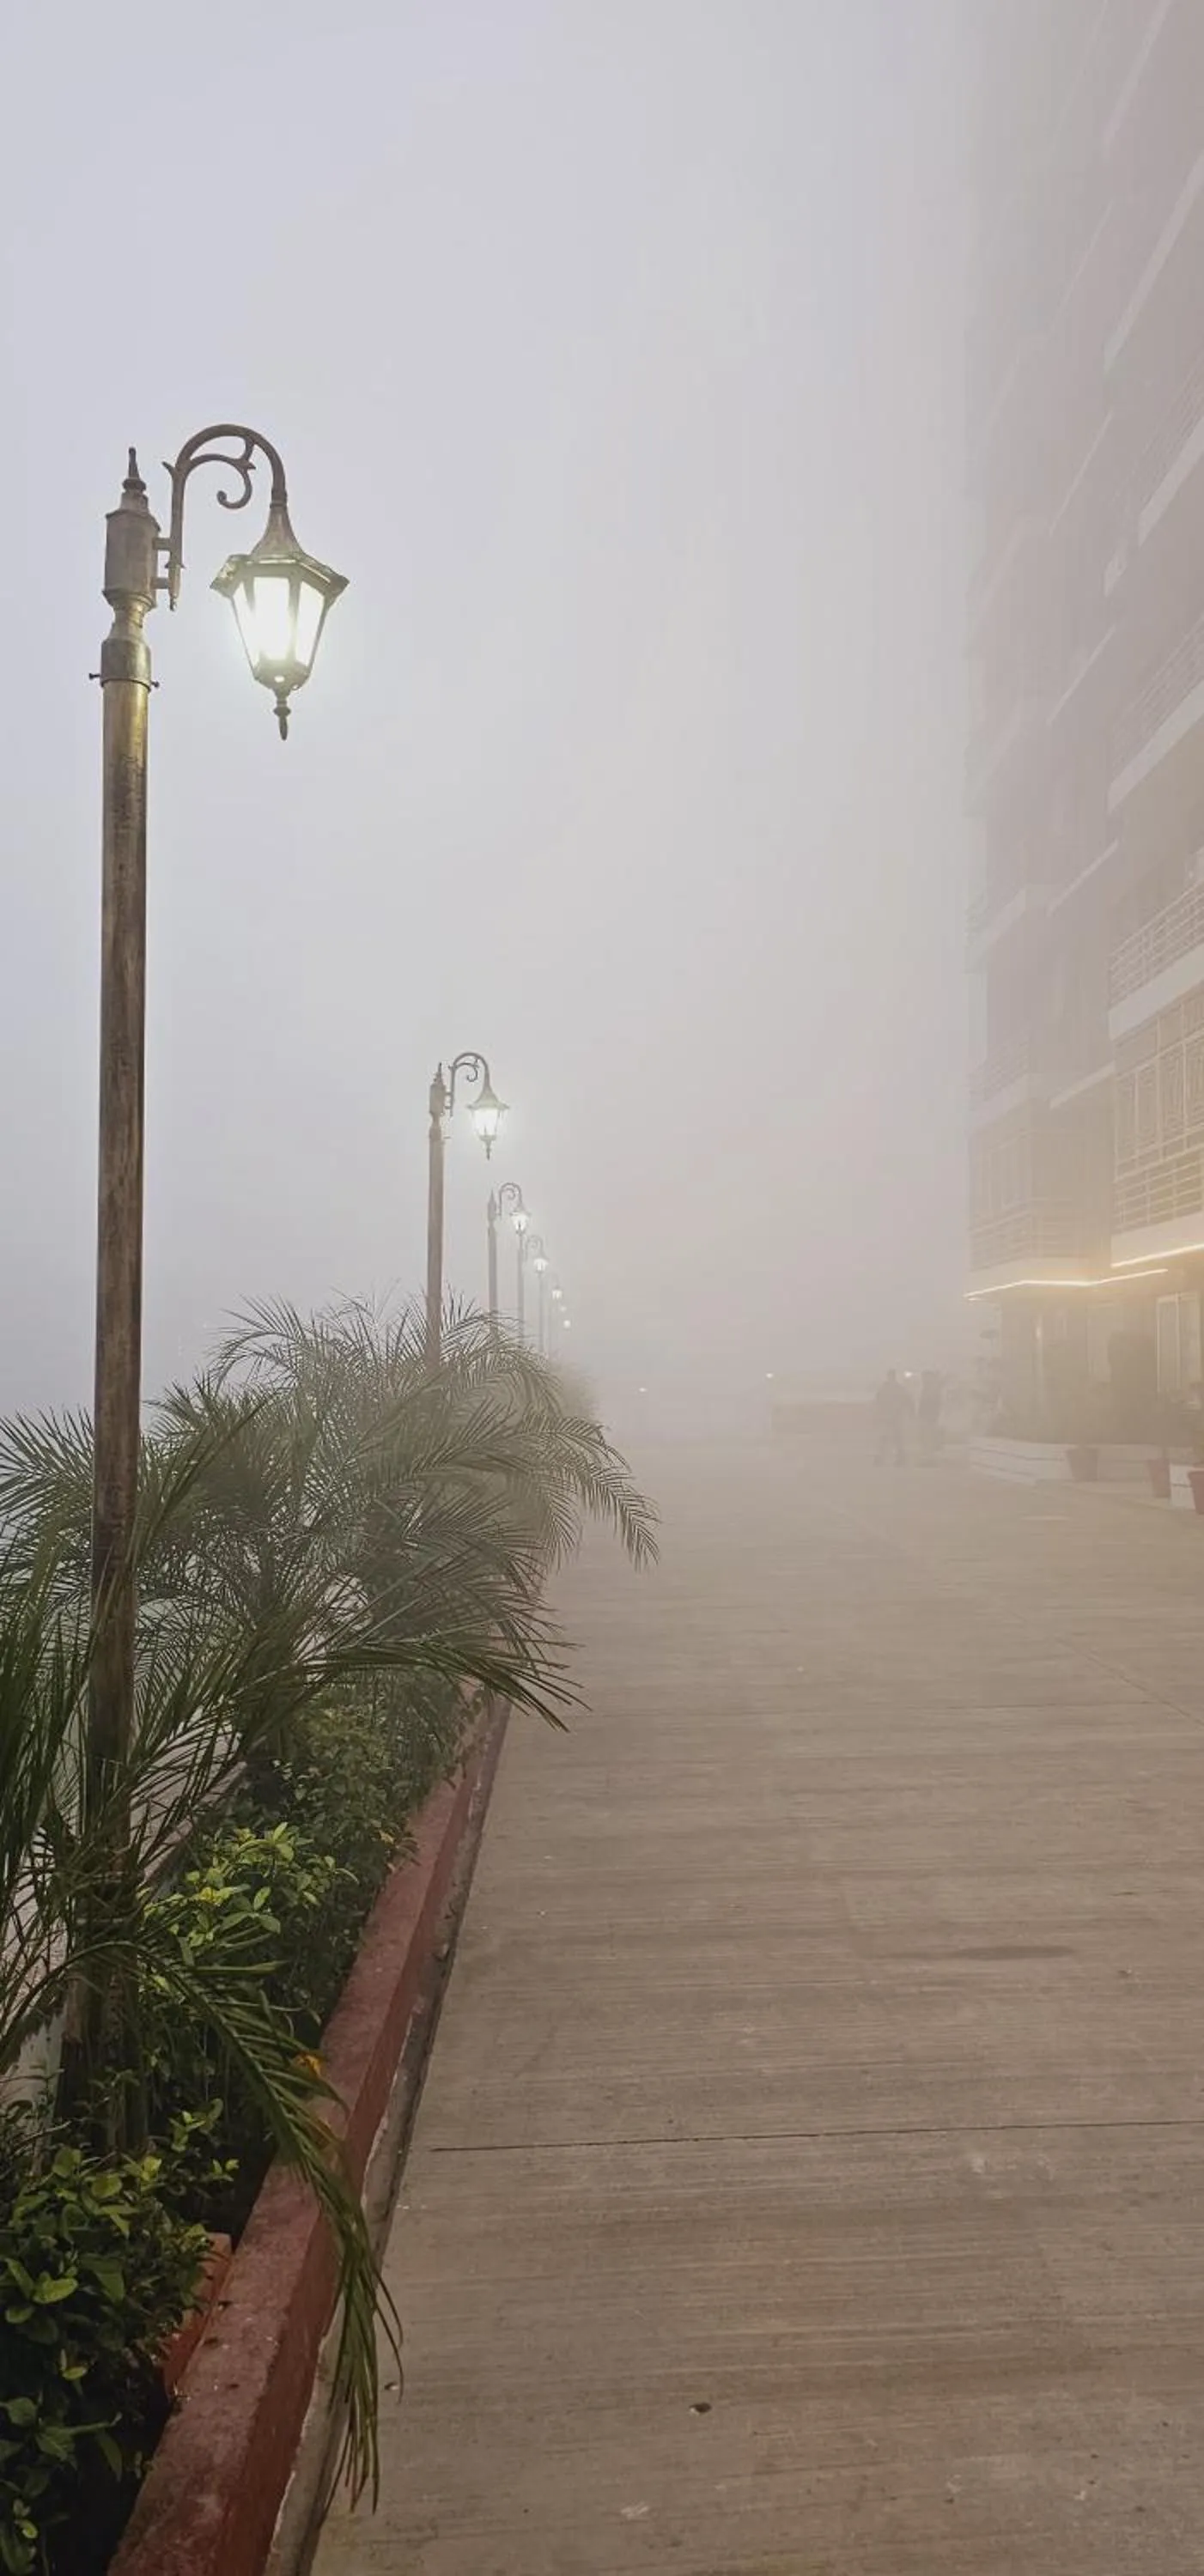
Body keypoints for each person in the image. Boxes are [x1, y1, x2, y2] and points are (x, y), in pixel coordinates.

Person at [873, 1369, 912, 1467]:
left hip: (893, 1416)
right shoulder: (896, 1388)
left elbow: (879, 1400)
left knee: (891, 1438)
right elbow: (907, 1400)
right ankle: (896, 1457)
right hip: (892, 1416)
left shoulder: (887, 1388)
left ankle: (890, 1457)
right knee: (890, 1437)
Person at [916, 1370, 944, 1462]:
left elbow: (935, 1403)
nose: (923, 1379)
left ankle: (929, 1457)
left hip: (930, 1417)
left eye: (925, 1377)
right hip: (926, 1417)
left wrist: (934, 1416)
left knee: (928, 1437)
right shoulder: (926, 1388)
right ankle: (927, 1455)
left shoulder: (933, 1389)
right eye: (923, 1377)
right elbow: (923, 1403)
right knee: (925, 1436)